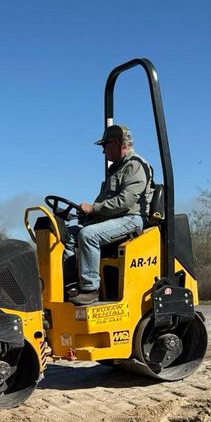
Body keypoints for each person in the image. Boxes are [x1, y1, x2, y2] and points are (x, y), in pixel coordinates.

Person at [66, 123, 153, 304]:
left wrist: (94, 208)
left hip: (131, 219)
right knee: (68, 234)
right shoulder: (115, 169)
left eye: (105, 145)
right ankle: (71, 286)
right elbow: (104, 202)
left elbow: (126, 201)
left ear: (116, 143)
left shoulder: (136, 166)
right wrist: (87, 214)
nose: (103, 151)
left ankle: (90, 289)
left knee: (88, 235)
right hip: (114, 218)